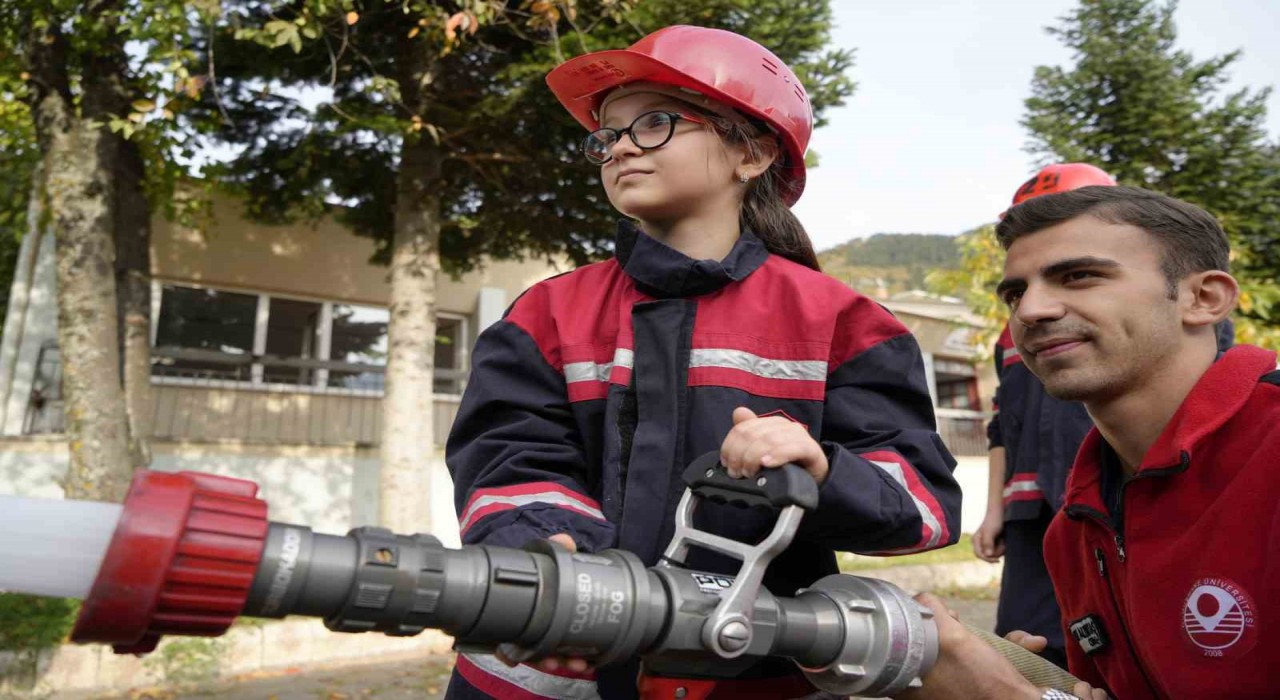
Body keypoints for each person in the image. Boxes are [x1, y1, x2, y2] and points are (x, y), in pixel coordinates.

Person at [444, 25, 963, 700]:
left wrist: (822, 471)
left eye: (654, 123)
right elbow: (508, 459)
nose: (620, 146)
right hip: (541, 678)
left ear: (752, 151)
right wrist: (549, 547)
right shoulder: (544, 315)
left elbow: (921, 501)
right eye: (606, 136)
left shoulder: (843, 322)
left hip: (749, 679)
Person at [905, 185, 1279, 699]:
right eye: (1015, 293)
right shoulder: (1073, 531)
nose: (1030, 311)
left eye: (1079, 276)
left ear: (1202, 298)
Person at [976, 163, 1120, 669]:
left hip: (1108, 503)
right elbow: (1001, 424)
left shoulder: (1153, 310)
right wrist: (994, 509)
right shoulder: (1015, 330)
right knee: (1024, 648)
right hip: (1030, 513)